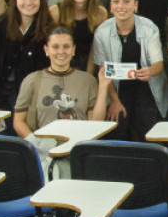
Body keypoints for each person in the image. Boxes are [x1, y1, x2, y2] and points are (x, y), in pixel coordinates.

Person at [13, 27, 102, 176]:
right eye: (55, 47)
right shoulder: (31, 80)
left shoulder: (88, 81)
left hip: (77, 156)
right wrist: (36, 143)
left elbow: (94, 123)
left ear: (73, 50)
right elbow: (18, 121)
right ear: (46, 50)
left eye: (66, 46)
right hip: (44, 157)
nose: (61, 52)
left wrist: (104, 86)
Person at [93, 0, 168, 142]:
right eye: (116, 1)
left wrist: (150, 71)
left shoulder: (149, 28)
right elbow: (103, 72)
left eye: (126, 1)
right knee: (117, 126)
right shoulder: (101, 32)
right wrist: (114, 101)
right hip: (116, 88)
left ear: (135, 5)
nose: (121, 6)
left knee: (148, 130)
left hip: (146, 86)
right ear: (111, 6)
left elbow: (158, 64)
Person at [50, 0, 108, 73]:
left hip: (90, 66)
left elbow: (96, 48)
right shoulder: (55, 12)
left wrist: (88, 75)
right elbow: (52, 47)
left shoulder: (100, 13)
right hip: (61, 66)